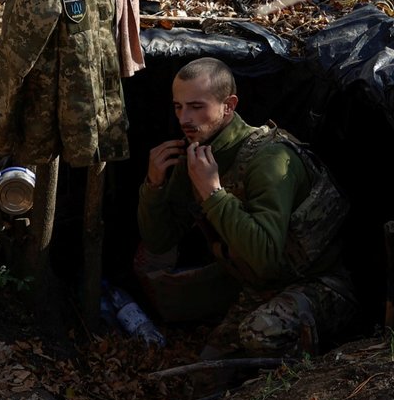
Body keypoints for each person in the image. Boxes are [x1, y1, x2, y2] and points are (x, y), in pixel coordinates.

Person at [135, 57, 356, 359]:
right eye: (178, 106)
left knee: (260, 333)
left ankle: (314, 373)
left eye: (196, 106)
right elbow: (160, 241)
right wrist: (154, 186)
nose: (184, 118)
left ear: (229, 105)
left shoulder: (268, 159)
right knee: (208, 375)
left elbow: (265, 257)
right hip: (261, 286)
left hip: (319, 284)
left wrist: (213, 193)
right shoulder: (196, 156)